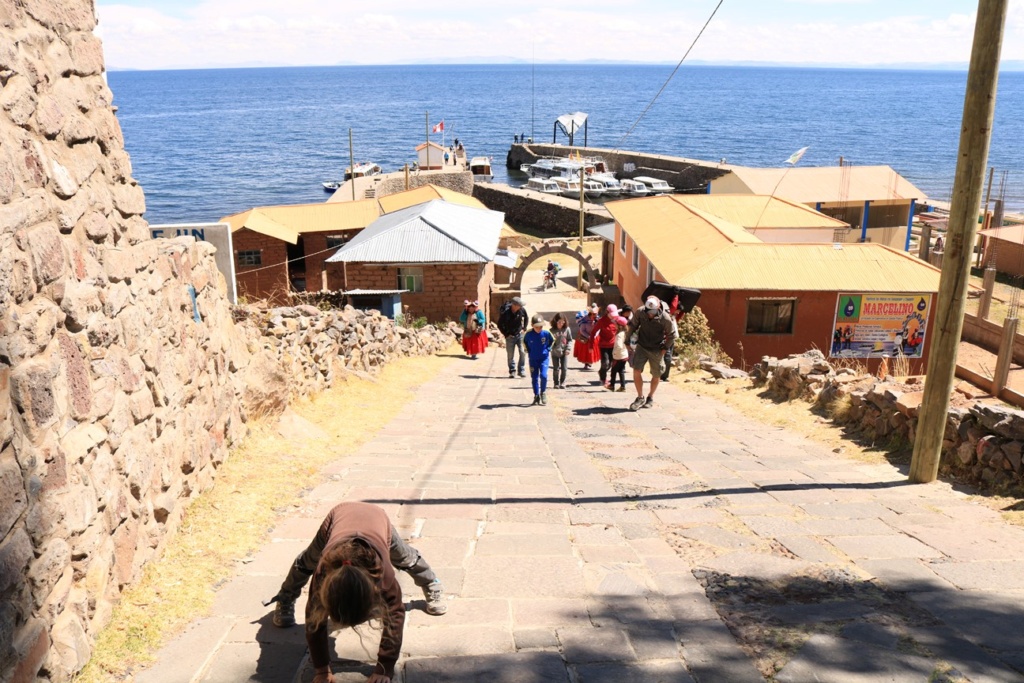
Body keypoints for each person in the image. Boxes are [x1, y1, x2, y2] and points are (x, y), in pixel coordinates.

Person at [265, 502, 446, 683]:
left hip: (377, 519)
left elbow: (395, 614)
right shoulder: (323, 576)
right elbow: (314, 620)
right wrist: (321, 670)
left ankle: (431, 582)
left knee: (405, 557)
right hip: (338, 519)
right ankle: (286, 597)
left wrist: (385, 668)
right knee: (307, 562)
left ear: (374, 594)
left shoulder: (383, 576)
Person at [627, 296, 677, 411]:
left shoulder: (665, 318)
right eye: (648, 311)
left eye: (653, 311)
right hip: (642, 346)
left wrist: (664, 349)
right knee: (636, 370)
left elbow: (672, 336)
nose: (650, 314)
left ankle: (650, 397)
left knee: (656, 374)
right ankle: (640, 397)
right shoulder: (640, 312)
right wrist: (627, 340)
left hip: (656, 349)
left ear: (658, 307)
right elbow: (633, 326)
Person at [524, 314, 554, 405]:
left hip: (544, 358)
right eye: (537, 327)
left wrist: (548, 349)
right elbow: (524, 342)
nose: (539, 328)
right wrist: (528, 350)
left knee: (544, 376)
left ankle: (543, 392)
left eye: (540, 326)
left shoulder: (546, 333)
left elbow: (552, 340)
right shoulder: (528, 334)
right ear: (532, 325)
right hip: (533, 359)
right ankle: (536, 395)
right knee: (534, 378)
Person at [497, 296, 529, 378]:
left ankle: (521, 370)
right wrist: (506, 334)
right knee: (510, 355)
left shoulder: (521, 310)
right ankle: (512, 370)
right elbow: (499, 324)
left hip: (520, 335)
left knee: (522, 352)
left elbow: (526, 318)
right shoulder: (506, 313)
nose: (521, 307)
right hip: (510, 337)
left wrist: (524, 328)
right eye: (519, 305)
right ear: (514, 305)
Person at [592, 304, 620, 389]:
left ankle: (601, 372)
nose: (613, 316)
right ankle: (603, 378)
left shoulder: (616, 320)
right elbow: (593, 332)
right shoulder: (602, 321)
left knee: (611, 364)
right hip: (603, 346)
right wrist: (590, 345)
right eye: (611, 314)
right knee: (605, 363)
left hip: (613, 346)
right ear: (607, 312)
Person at [549, 312, 574, 389]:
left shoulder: (567, 329)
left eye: (562, 322)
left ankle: (562, 382)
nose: (561, 324)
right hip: (555, 353)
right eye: (559, 322)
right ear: (555, 321)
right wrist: (551, 348)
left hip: (564, 352)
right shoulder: (552, 330)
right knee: (556, 368)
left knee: (564, 368)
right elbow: (549, 342)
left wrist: (568, 349)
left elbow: (570, 340)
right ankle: (556, 383)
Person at [659, 300, 681, 382]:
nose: (678, 312)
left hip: (672, 340)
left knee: (668, 358)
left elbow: (681, 314)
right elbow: (673, 307)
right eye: (677, 310)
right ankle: (662, 375)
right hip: (667, 340)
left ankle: (664, 376)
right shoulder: (667, 316)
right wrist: (676, 295)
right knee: (667, 358)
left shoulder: (674, 317)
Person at [573, 305, 601, 370]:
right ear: (590, 314)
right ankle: (586, 363)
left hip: (594, 337)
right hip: (585, 337)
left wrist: (595, 335)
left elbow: (599, 328)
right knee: (585, 350)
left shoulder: (597, 320)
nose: (595, 316)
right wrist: (588, 337)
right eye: (594, 314)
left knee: (592, 349)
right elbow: (582, 330)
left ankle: (590, 361)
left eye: (596, 314)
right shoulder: (584, 320)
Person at [610, 316, 630, 392]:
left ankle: (612, 385)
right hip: (624, 355)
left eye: (615, 324)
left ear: (619, 326)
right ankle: (623, 386)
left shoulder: (619, 335)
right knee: (621, 371)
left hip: (618, 356)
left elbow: (618, 346)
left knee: (613, 371)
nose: (614, 325)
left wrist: (614, 353)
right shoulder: (625, 333)